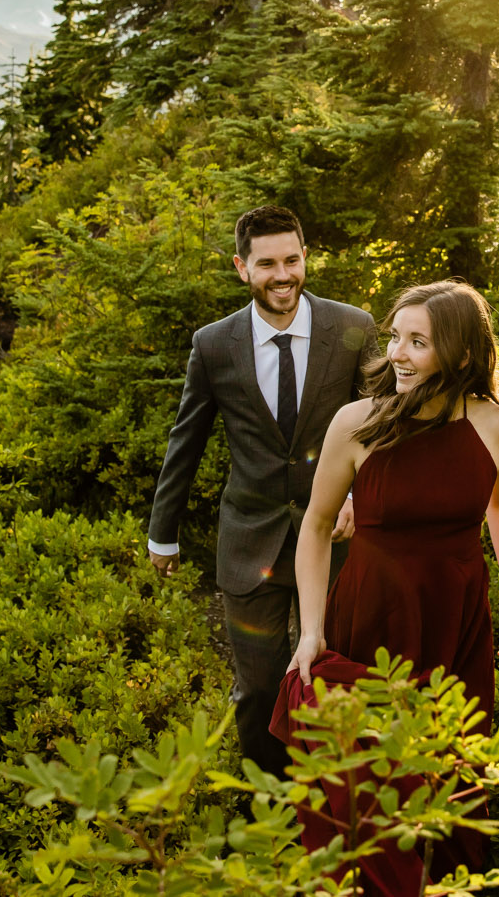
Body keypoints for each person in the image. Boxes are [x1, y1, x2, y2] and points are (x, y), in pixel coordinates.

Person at [283, 279, 499, 890]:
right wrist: (312, 629)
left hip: (455, 619)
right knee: (368, 782)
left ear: (462, 356)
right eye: (396, 337)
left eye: (417, 342)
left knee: (448, 772)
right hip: (372, 614)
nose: (396, 353)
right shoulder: (356, 424)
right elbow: (316, 527)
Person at [146, 204, 376, 778]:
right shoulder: (214, 344)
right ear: (241, 268)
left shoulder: (352, 328)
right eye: (267, 263)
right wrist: (163, 533)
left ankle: (337, 796)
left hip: (340, 543)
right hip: (251, 543)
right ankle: (272, 807)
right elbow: (187, 439)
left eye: (292, 260)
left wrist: (360, 495)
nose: (283, 275)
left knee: (340, 674)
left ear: (306, 258)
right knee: (256, 688)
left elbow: (383, 425)